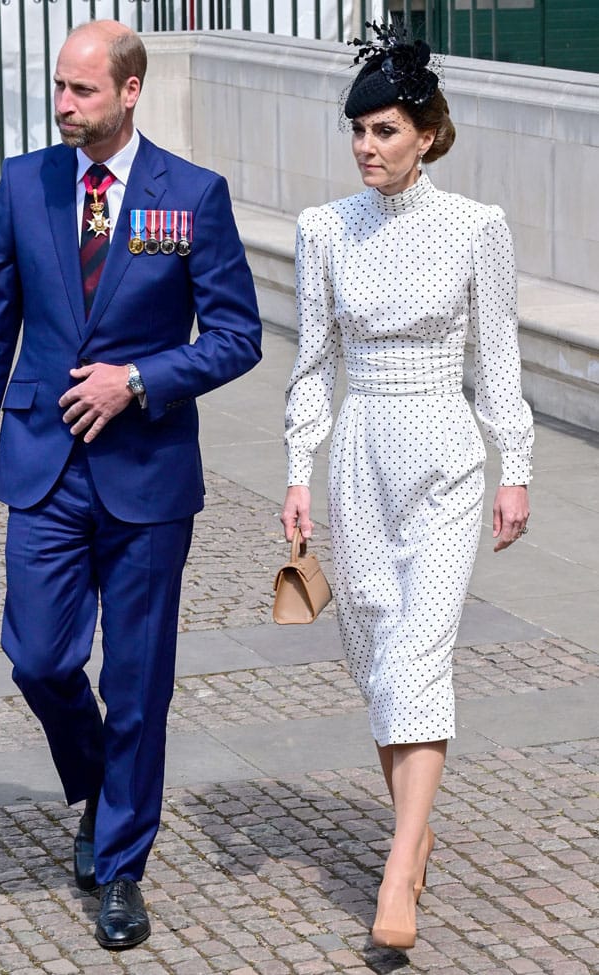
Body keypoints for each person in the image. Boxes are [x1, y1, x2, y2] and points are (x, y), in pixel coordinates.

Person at [0, 20, 261, 951]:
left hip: (148, 479)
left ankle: (121, 861)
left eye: (82, 91)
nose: (63, 105)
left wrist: (141, 380)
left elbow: (235, 335)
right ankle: (98, 782)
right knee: (39, 657)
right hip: (43, 467)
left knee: (137, 681)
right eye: (59, 87)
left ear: (130, 92)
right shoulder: (23, 184)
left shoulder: (192, 197)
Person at [281, 23, 532, 953]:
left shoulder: (478, 228)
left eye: (384, 131)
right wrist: (299, 471)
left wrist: (518, 467)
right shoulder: (322, 229)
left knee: (422, 650)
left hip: (445, 455)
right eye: (357, 132)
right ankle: (413, 833)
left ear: (425, 133)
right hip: (358, 456)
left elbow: (498, 359)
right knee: (381, 650)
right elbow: (312, 365)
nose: (366, 148)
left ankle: (397, 867)